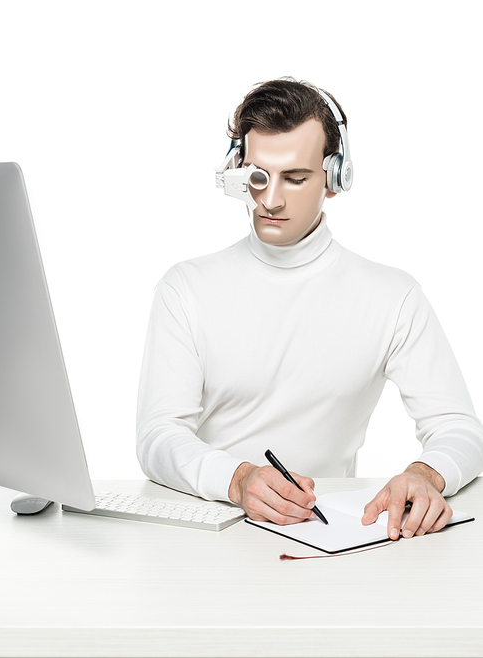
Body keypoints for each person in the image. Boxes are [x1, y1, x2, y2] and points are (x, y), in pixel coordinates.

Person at [136, 77, 483, 541]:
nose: (271, 199)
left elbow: (458, 427)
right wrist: (236, 479)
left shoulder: (392, 296)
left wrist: (426, 473)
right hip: (208, 533)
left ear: (335, 179)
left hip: (329, 536)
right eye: (257, 176)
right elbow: (158, 437)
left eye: (296, 179)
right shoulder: (186, 288)